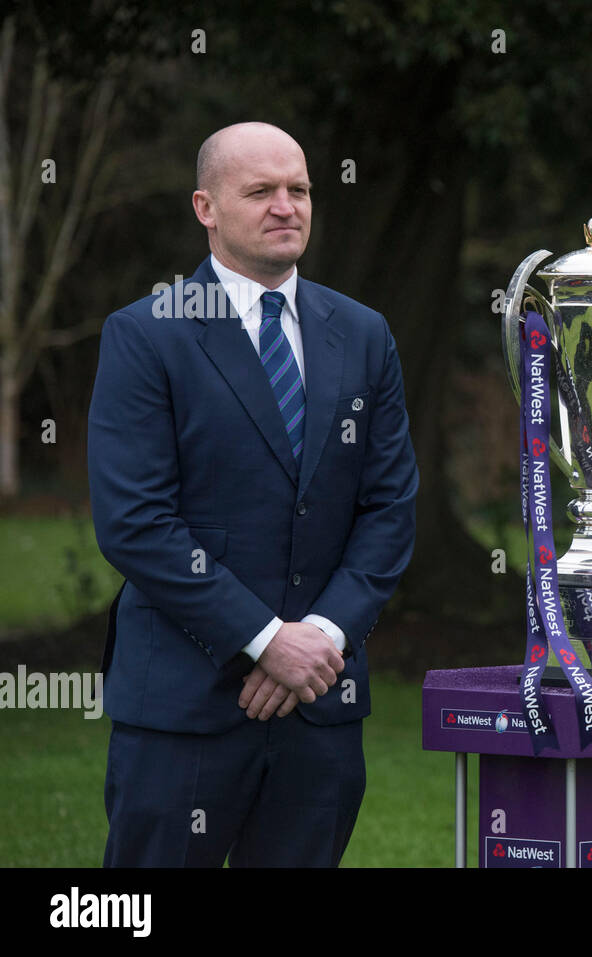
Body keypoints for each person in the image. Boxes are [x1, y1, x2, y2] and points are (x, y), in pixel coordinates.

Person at [88, 121, 419, 867]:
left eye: (299, 189)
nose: (286, 206)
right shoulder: (146, 334)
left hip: (319, 709)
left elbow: (390, 508)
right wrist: (269, 640)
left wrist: (323, 638)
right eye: (261, 190)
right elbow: (136, 521)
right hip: (185, 708)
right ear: (205, 207)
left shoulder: (363, 334)